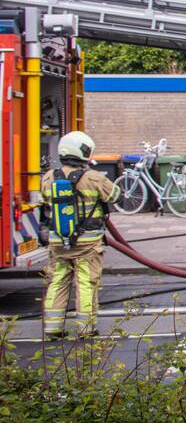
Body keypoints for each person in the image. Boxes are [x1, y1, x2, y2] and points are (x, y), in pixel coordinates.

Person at [40, 131, 121, 340]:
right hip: (87, 243)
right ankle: (86, 329)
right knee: (86, 282)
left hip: (58, 241)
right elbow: (115, 195)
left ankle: (52, 328)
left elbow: (44, 200)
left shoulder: (49, 177)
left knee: (57, 281)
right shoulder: (93, 178)